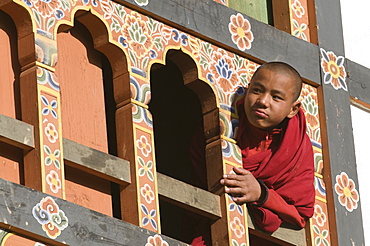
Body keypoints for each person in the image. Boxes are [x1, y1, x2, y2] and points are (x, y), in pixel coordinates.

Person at [190, 61, 315, 245]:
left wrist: (261, 194)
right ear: (247, 90)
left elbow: (300, 214)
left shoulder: (298, 147)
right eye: (257, 90)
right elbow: (198, 172)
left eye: (276, 97)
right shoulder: (218, 125)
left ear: (293, 109)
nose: (263, 101)